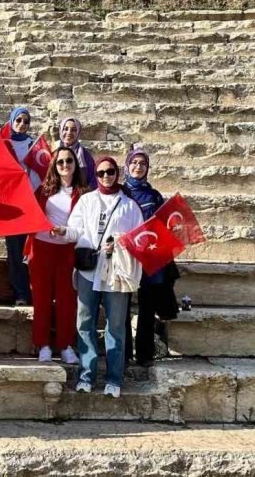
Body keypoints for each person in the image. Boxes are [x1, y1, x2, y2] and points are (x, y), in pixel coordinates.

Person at [65, 156, 145, 399]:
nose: (106, 176)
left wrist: (119, 244)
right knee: (85, 323)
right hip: (90, 271)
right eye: (101, 173)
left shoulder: (129, 206)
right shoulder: (87, 201)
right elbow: (75, 230)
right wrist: (62, 232)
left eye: (110, 172)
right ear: (95, 176)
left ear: (117, 174)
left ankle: (113, 379)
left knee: (116, 327)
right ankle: (86, 376)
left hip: (116, 274)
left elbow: (138, 239)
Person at [26, 146, 87, 365]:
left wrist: (64, 232)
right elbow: (29, 214)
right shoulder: (43, 189)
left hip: (68, 249)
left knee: (66, 299)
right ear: (54, 165)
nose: (64, 165)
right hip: (42, 247)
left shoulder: (84, 193)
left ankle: (65, 345)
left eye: (69, 161)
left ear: (75, 164)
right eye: (60, 162)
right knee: (41, 298)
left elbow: (85, 225)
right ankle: (42, 344)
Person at [121, 148, 180, 367]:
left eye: (142, 163)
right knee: (123, 306)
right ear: (127, 166)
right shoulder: (120, 192)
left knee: (147, 308)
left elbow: (163, 224)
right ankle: (124, 352)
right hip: (126, 256)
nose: (138, 167)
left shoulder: (154, 195)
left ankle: (144, 354)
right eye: (134, 162)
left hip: (150, 258)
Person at [4, 107, 40, 306]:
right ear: (11, 121)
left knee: (32, 252)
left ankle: (35, 291)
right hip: (12, 207)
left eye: (26, 121)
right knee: (15, 252)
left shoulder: (34, 145)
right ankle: (20, 293)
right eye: (18, 120)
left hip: (32, 203)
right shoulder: (3, 145)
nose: (22, 125)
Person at [58, 118, 98, 190]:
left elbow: (93, 179)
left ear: (78, 133)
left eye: (74, 130)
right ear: (61, 130)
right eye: (65, 129)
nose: (69, 132)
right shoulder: (54, 152)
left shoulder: (85, 155)